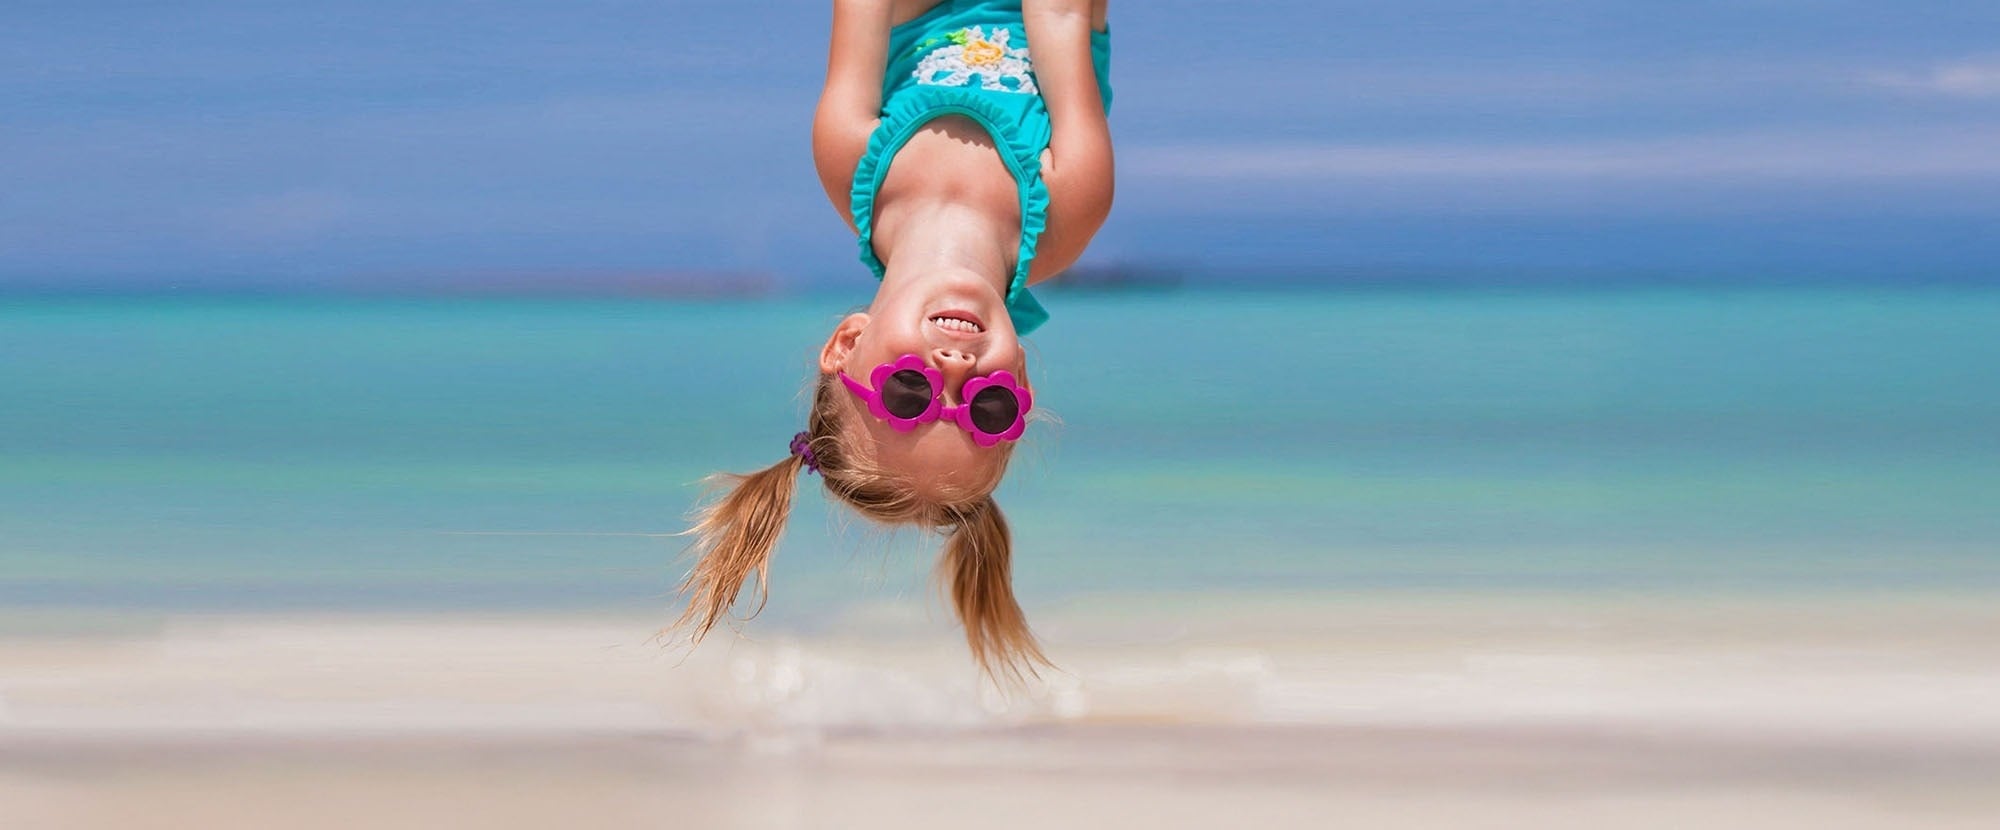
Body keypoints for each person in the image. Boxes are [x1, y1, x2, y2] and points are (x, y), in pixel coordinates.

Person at [672, 0, 1113, 683]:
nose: (952, 371)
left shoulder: (850, 159)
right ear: (1020, 377)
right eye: (988, 407)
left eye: (909, 393)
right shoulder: (1071, 204)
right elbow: (1057, 20)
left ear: (847, 343)